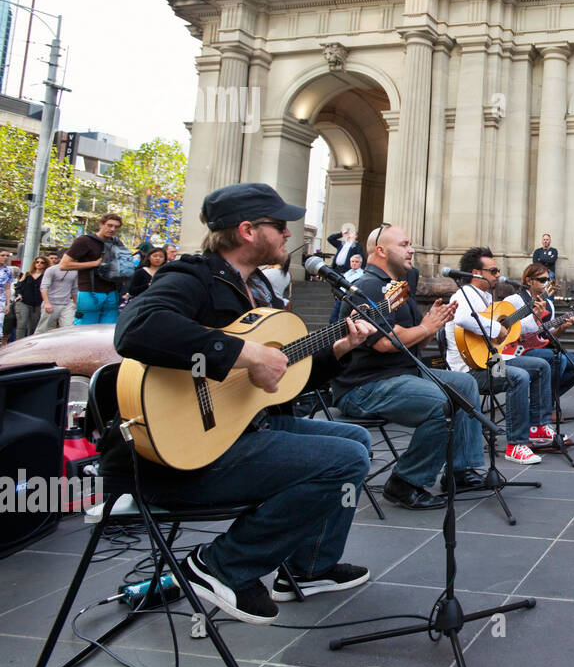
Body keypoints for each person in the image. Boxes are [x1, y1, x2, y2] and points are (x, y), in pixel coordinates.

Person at [113, 182, 376, 624]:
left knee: (355, 437)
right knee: (344, 459)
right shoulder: (192, 276)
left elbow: (282, 380)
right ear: (249, 230)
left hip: (244, 427)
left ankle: (311, 567)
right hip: (184, 455)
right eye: (281, 225)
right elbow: (135, 329)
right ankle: (220, 565)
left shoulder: (259, 290)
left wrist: (338, 349)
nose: (290, 234)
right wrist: (246, 353)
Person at [332, 224, 487, 508]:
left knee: (465, 384)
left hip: (401, 373)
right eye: (404, 244)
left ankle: (461, 471)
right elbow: (385, 343)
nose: (411, 249)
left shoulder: (398, 288)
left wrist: (432, 326)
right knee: (441, 403)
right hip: (365, 385)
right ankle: (405, 482)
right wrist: (426, 325)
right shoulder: (368, 286)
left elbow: (411, 344)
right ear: (381, 250)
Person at [444, 246, 558, 464]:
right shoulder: (465, 294)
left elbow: (513, 329)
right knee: (519, 377)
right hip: (469, 369)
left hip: (491, 360)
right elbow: (462, 319)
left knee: (541, 365)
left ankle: (538, 426)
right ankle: (515, 445)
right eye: (493, 270)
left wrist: (534, 316)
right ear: (477, 274)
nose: (498, 275)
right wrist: (497, 330)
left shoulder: (486, 297)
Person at [517, 262, 574, 411]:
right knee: (558, 359)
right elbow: (506, 327)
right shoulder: (516, 300)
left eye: (548, 280)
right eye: (542, 280)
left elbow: (549, 334)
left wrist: (562, 327)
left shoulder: (549, 304)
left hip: (539, 345)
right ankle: (545, 406)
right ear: (529, 281)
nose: (546, 283)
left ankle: (544, 398)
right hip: (519, 348)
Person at [61, 213, 125, 325]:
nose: (112, 229)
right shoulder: (84, 241)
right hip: (90, 291)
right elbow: (64, 265)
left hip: (112, 291)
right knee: (85, 331)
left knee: (108, 331)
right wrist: (95, 263)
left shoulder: (117, 243)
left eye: (116, 227)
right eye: (109, 225)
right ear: (101, 224)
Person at [37, 249, 78, 333]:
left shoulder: (75, 271)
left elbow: (74, 289)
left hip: (67, 304)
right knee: (43, 329)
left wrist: (76, 303)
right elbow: (44, 287)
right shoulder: (52, 270)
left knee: (68, 329)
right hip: (51, 303)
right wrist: (47, 303)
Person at [13, 256, 48, 340]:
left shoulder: (46, 275)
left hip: (38, 303)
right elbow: (19, 286)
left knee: (34, 326)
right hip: (23, 301)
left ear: (45, 264)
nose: (39, 264)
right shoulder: (27, 274)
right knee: (22, 323)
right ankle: (19, 342)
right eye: (37, 262)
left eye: (42, 262)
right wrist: (18, 295)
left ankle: (30, 342)